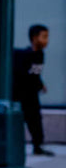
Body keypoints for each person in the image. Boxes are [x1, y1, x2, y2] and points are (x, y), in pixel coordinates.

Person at [13, 23, 53, 155]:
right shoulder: (25, 55)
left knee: (35, 120)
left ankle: (37, 145)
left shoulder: (40, 54)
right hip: (21, 94)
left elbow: (36, 72)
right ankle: (15, 144)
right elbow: (21, 74)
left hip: (32, 94)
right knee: (20, 120)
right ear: (34, 38)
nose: (46, 40)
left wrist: (41, 84)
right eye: (44, 37)